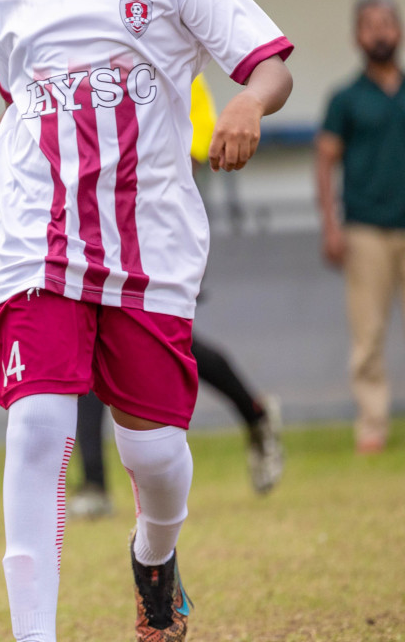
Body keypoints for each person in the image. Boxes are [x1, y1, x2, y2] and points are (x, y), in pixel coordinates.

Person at [0, 0, 293, 642]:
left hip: (148, 248)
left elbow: (270, 62)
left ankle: (156, 558)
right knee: (38, 426)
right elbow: (23, 109)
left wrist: (247, 104)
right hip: (34, 244)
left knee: (154, 457)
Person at [72, 75, 284, 519]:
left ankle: (256, 414)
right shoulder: (85, 50)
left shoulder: (172, 59)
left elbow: (201, 143)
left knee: (176, 344)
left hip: (156, 224)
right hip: (92, 223)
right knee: (89, 344)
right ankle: (94, 482)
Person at [316, 0, 405, 454]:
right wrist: (330, 225)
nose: (380, 33)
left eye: (387, 24)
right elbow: (325, 160)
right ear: (357, 36)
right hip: (366, 227)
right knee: (368, 334)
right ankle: (373, 424)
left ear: (400, 31)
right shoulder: (345, 99)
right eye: (371, 26)